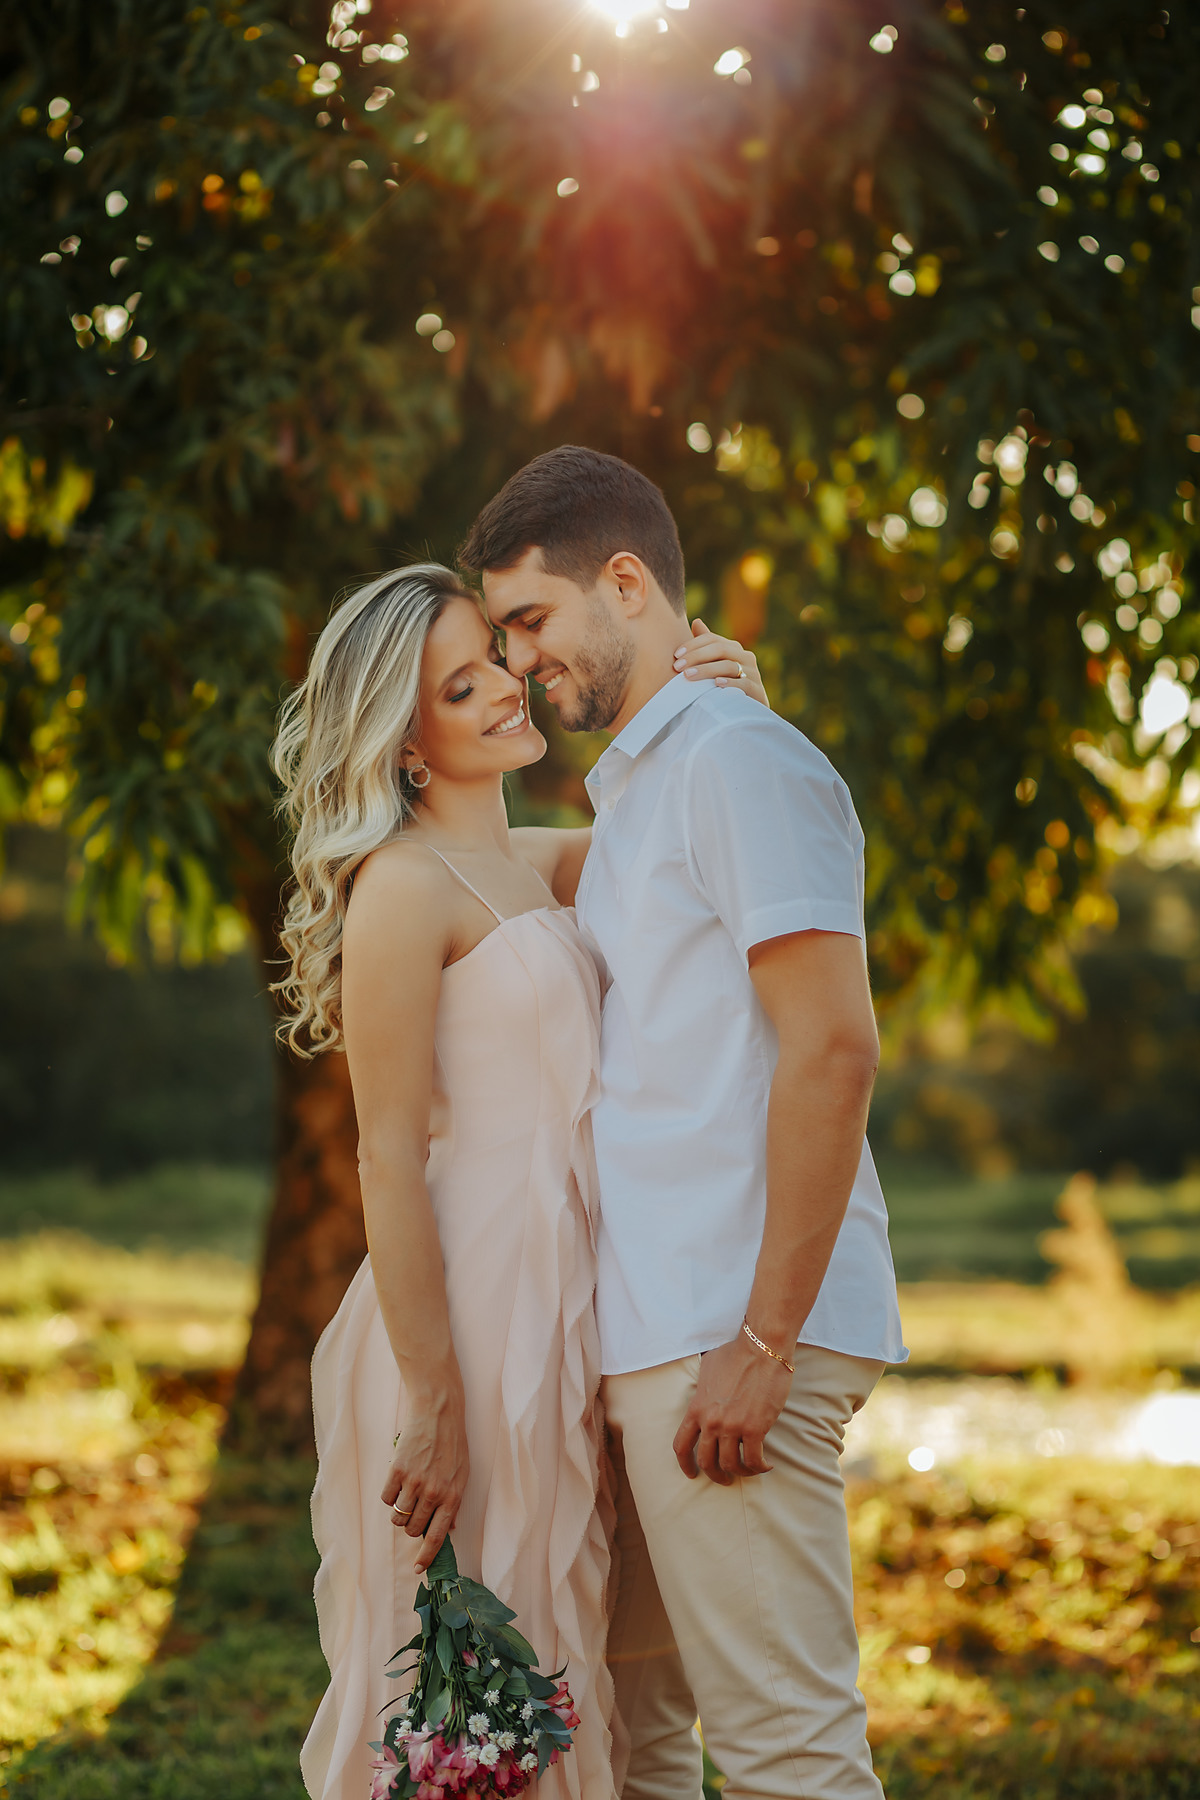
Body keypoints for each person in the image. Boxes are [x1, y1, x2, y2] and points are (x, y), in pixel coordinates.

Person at [272, 561, 764, 1800]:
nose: (506, 684)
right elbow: (387, 1153)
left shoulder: (533, 864)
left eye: (494, 653)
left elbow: (689, 830)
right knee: (459, 1684)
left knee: (555, 1656)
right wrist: (432, 1397)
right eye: (462, 681)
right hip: (465, 1318)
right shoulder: (399, 892)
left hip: (566, 1304)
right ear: (407, 743)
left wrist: (737, 703)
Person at [459, 445, 908, 1800]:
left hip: (733, 1333)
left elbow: (833, 1050)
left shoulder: (737, 761)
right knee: (640, 1747)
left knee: (787, 1755)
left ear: (627, 580)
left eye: (530, 623)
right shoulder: (647, 783)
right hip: (652, 1342)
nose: (522, 663)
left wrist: (763, 1342)